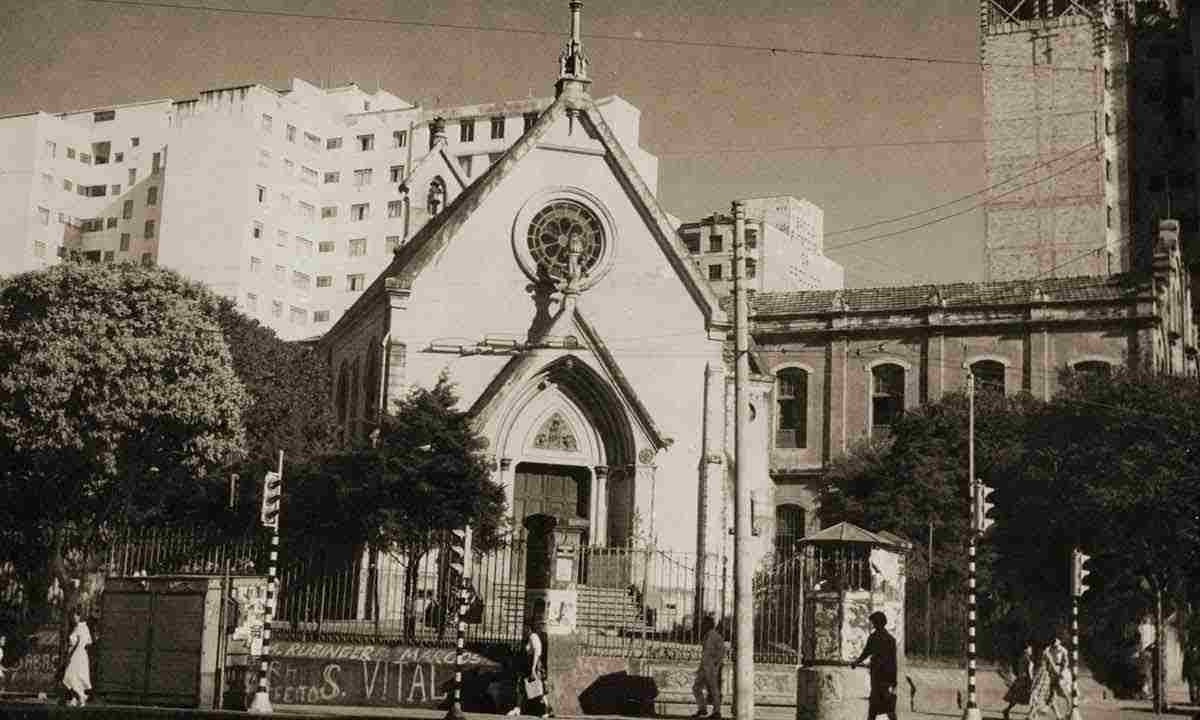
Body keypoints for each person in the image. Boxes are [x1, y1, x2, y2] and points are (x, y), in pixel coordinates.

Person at [852, 611, 898, 720]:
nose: (873, 625)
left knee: (878, 706)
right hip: (884, 676)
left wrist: (856, 662)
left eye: (874, 622)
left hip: (879, 676)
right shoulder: (890, 639)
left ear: (878, 623)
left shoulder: (874, 637)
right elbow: (893, 662)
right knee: (886, 707)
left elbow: (866, 653)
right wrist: (894, 680)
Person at [1029, 635, 1071, 720]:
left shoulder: (1062, 650)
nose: (1054, 642)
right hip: (1046, 674)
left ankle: (1069, 710)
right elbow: (1033, 662)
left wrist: (1060, 673)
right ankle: (1056, 715)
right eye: (1053, 641)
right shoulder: (1047, 650)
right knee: (1047, 695)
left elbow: (1064, 663)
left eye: (1056, 640)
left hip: (1056, 672)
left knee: (1057, 693)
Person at [692, 616, 725, 719]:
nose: (702, 625)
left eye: (704, 623)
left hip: (711, 667)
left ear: (709, 624)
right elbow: (705, 653)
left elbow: (721, 652)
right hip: (704, 666)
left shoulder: (715, 636)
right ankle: (702, 709)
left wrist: (716, 664)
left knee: (713, 689)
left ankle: (717, 712)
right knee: (696, 688)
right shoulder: (707, 635)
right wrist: (700, 668)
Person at [62, 610, 92, 707]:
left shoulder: (81, 627)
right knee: (75, 677)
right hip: (81, 654)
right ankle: (75, 699)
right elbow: (89, 642)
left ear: (79, 616)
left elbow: (81, 642)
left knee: (70, 676)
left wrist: (71, 654)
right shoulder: (82, 627)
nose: (74, 618)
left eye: (75, 616)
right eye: (73, 617)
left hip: (77, 655)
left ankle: (81, 696)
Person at [1002, 643, 1035, 720]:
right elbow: (1029, 672)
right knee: (1033, 697)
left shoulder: (1021, 658)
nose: (1031, 651)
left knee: (1016, 698)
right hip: (1026, 680)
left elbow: (1018, 669)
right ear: (1026, 650)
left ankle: (1007, 710)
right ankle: (1031, 715)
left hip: (1020, 679)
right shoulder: (1028, 659)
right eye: (1030, 649)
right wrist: (1032, 680)